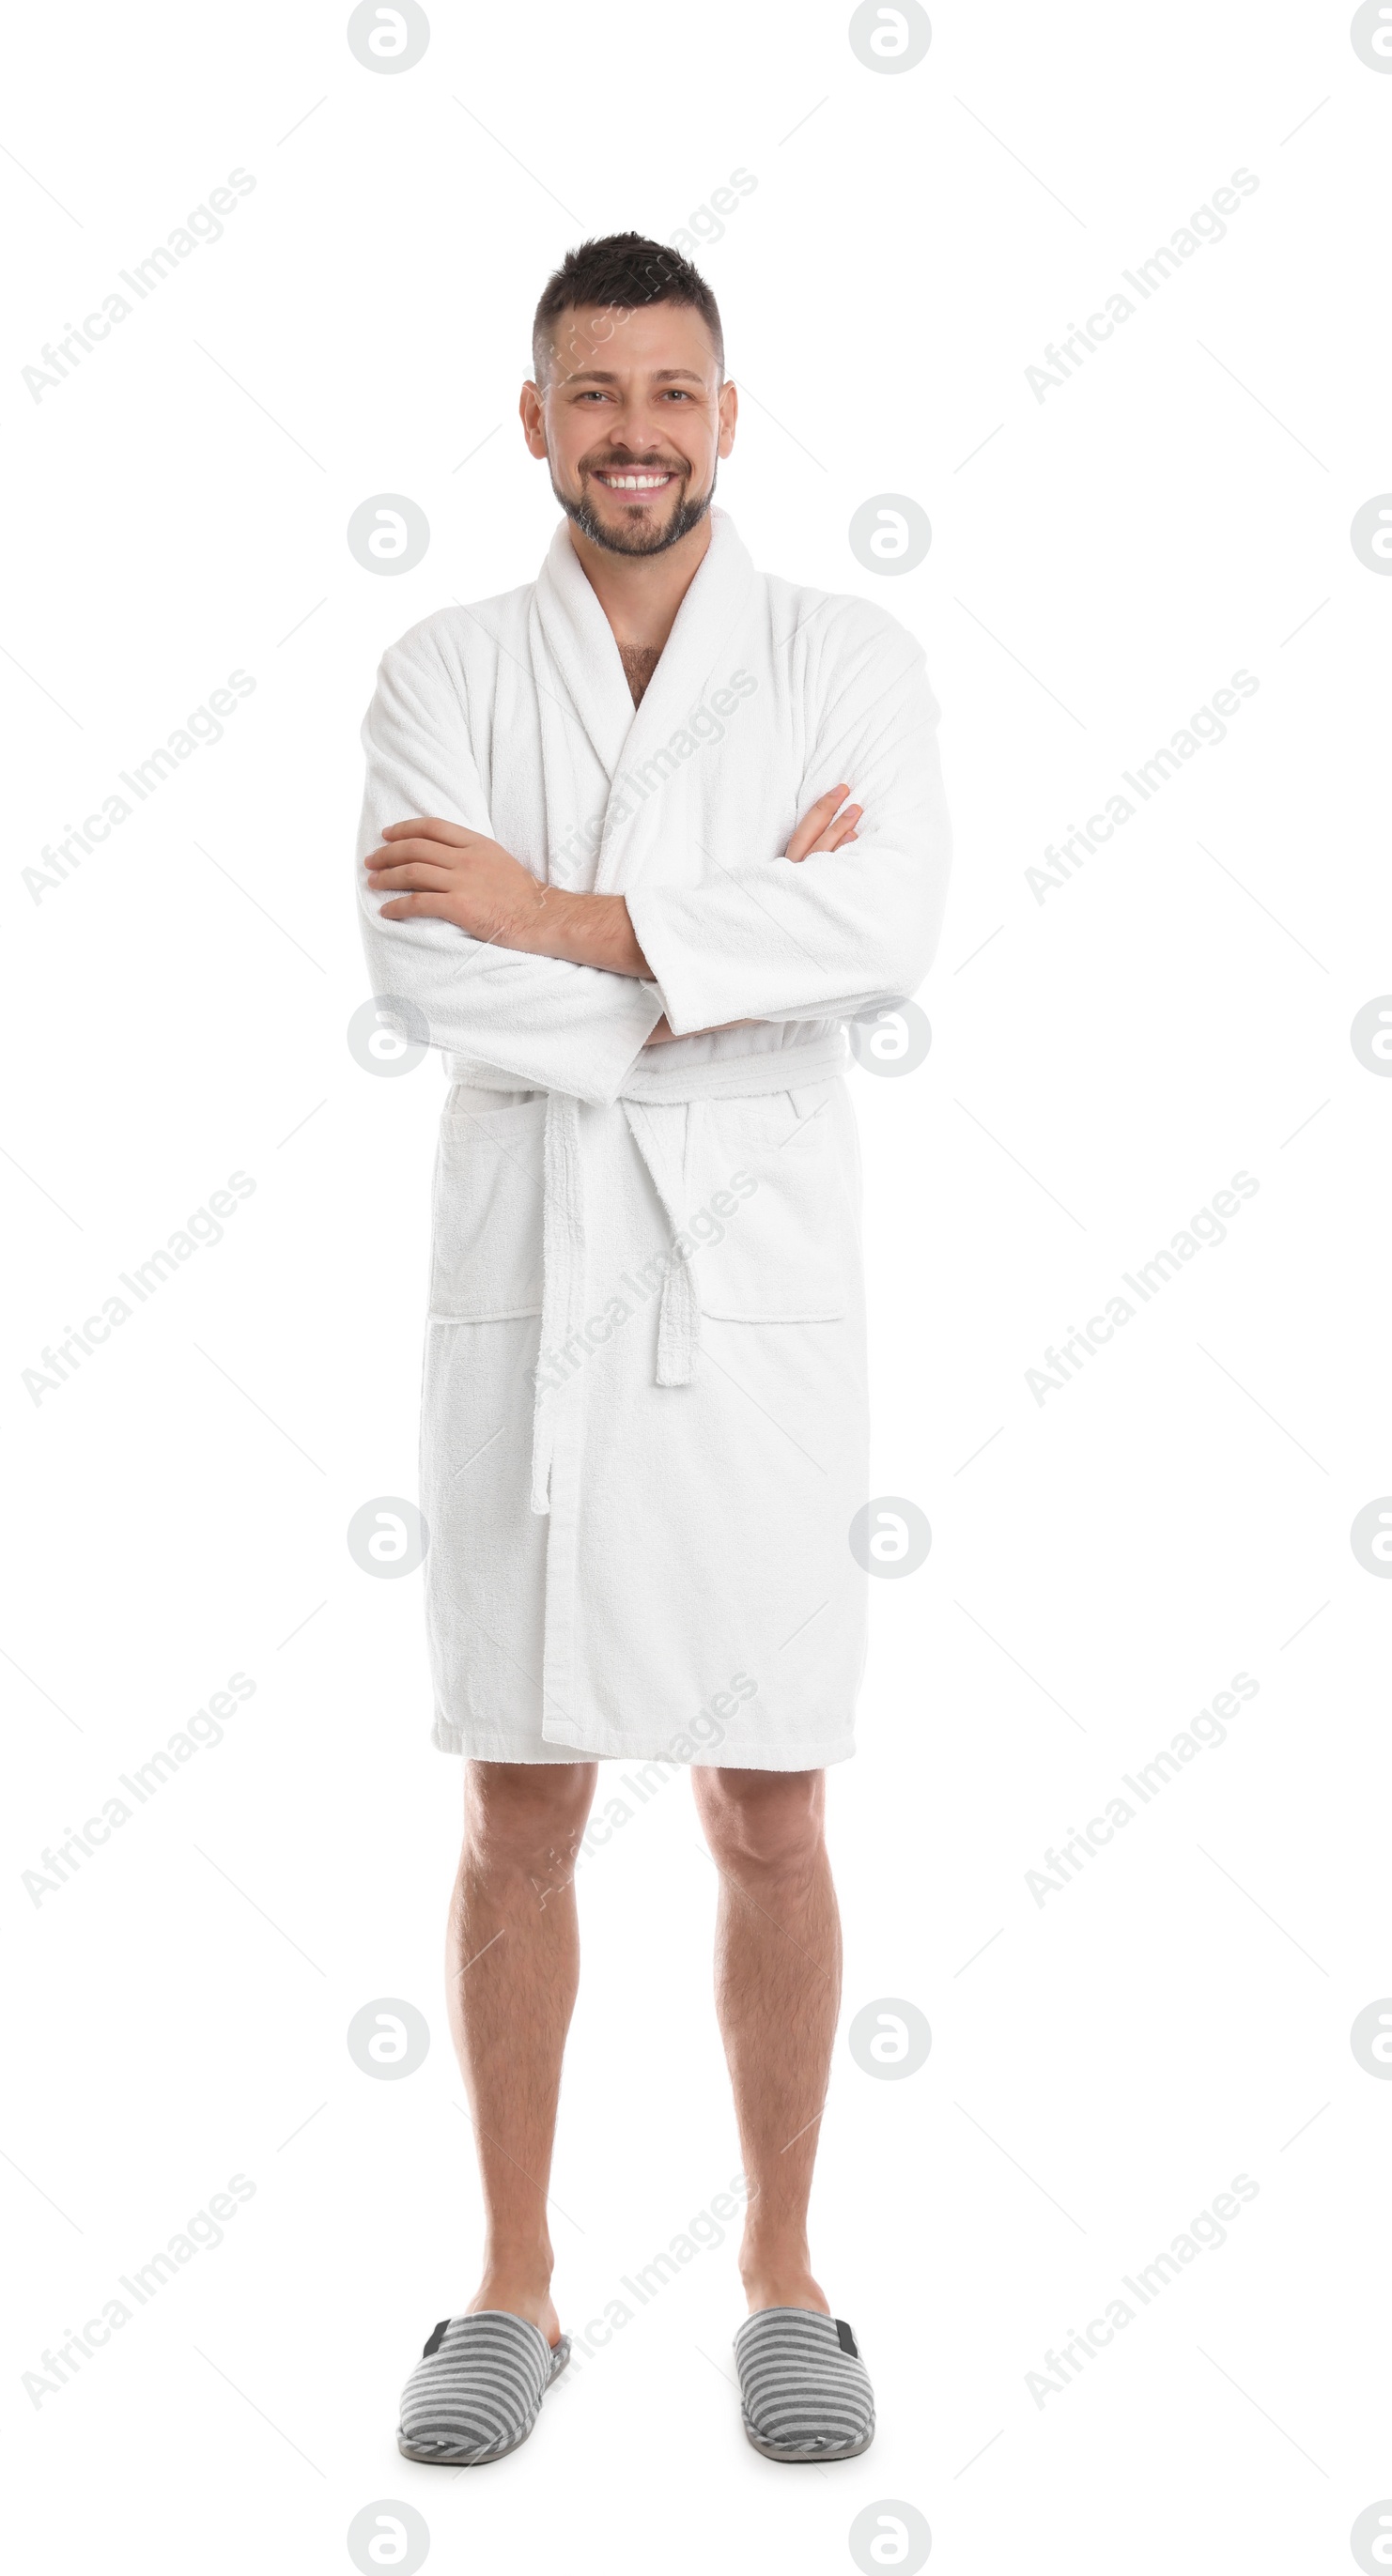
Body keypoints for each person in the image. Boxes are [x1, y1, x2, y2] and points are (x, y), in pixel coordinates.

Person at [355, 233, 951, 2466]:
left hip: (751, 1301)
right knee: (520, 1797)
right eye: (590, 394)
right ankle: (511, 2282)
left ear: (727, 413)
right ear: (533, 419)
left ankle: (782, 2269)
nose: (631, 433)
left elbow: (878, 931)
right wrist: (721, 952)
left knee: (770, 1797)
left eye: (670, 394)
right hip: (533, 1298)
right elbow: (429, 978)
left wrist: (566, 920)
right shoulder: (438, 671)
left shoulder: (841, 658)